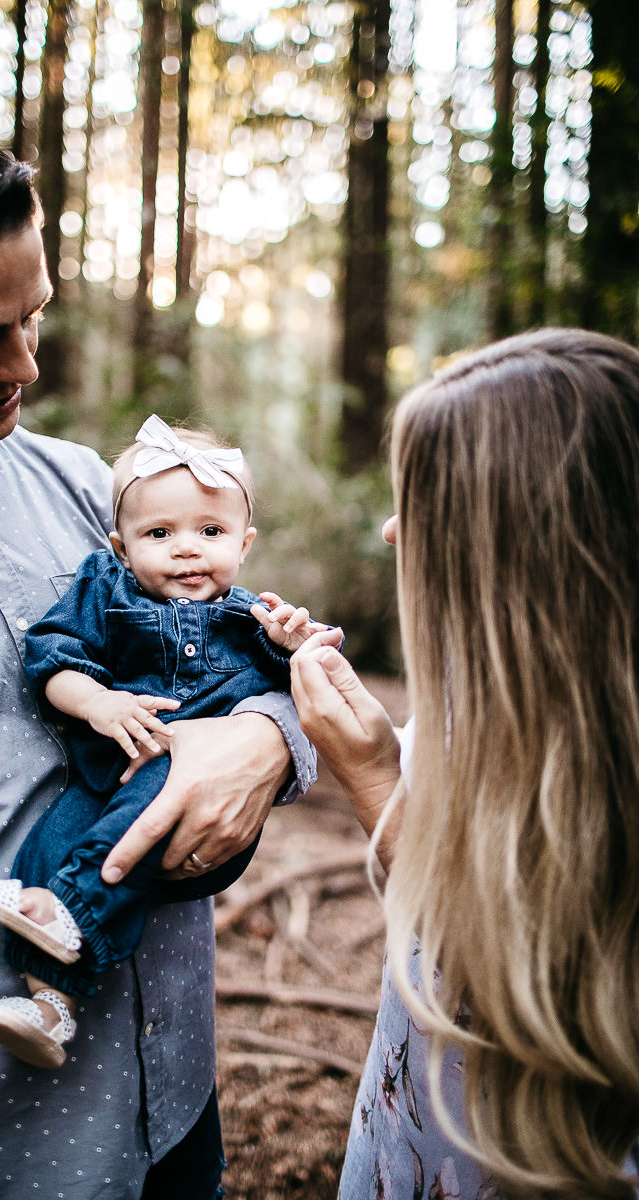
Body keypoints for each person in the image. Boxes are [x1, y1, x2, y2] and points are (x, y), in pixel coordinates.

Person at [0, 108, 315, 1200]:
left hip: (171, 1107)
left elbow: (236, 650)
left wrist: (264, 739)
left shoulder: (87, 489)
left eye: (34, 315)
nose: (23, 365)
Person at [281, 330, 639, 1200]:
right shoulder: (470, 707)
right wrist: (375, 762)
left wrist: (374, 784)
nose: (392, 529)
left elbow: (525, 1000)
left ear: (526, 543)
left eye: (425, 503)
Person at [0, 414, 337, 1069]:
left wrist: (294, 646)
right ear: (121, 545)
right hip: (107, 778)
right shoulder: (102, 591)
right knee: (50, 840)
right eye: (160, 533)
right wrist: (98, 701)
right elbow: (53, 660)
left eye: (211, 531)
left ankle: (71, 908)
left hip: (187, 793)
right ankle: (48, 1006)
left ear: (244, 543)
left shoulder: (253, 619)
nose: (187, 549)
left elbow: (312, 694)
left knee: (114, 839)